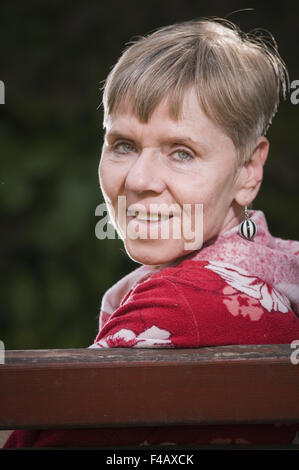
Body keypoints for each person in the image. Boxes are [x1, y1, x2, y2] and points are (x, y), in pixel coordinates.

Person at [4, 16, 299, 448]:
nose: (140, 179)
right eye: (123, 145)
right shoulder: (271, 272)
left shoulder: (179, 307)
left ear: (248, 170)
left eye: (182, 153)